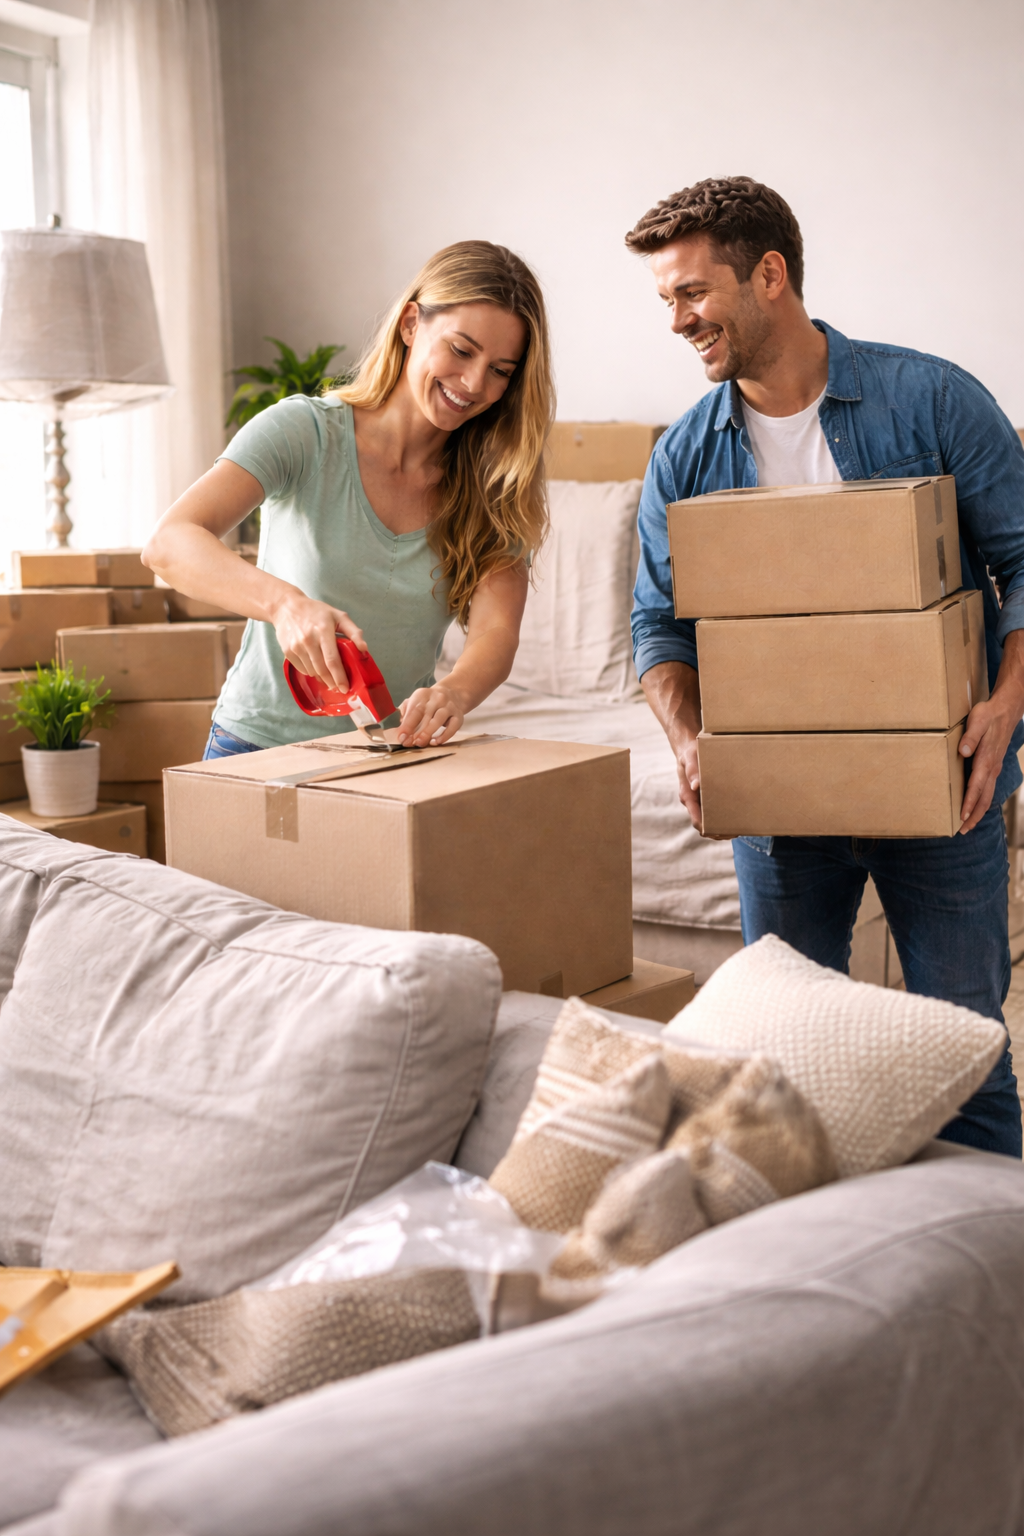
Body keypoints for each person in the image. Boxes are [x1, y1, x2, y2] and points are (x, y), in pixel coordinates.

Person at [627, 176, 1024, 1157]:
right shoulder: (685, 455)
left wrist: (1006, 705)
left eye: (691, 293)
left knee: (961, 1057)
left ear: (769, 275)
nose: (676, 321)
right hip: (778, 801)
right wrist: (688, 743)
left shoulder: (929, 398)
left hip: (944, 789)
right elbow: (657, 629)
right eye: (664, 300)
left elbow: (1022, 563)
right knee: (782, 1067)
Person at [143, 240, 553, 756]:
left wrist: (455, 691)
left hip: (387, 756)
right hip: (254, 748)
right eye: (461, 349)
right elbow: (169, 544)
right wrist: (285, 605)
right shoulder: (304, 432)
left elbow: (496, 632)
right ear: (410, 325)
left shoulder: (496, 485)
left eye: (500, 370)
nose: (473, 383)